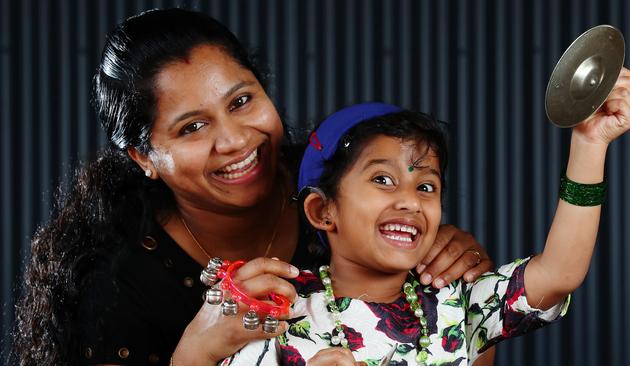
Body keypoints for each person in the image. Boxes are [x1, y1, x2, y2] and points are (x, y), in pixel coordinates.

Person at [10, 8, 495, 366]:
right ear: (144, 158)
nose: (236, 140)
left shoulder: (343, 181)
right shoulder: (119, 286)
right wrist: (197, 350)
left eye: (242, 100)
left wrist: (456, 276)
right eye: (191, 128)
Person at [222, 78, 630, 365]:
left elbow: (560, 272)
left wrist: (589, 143)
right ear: (322, 211)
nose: (409, 201)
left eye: (426, 187)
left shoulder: (458, 303)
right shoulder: (278, 314)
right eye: (382, 179)